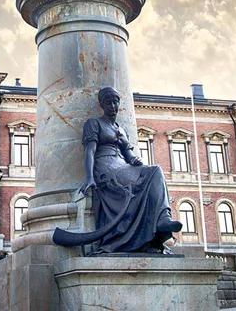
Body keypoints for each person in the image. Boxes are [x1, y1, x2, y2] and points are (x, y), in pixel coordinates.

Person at [78, 87, 182, 253]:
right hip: (105, 166)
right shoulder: (94, 123)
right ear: (102, 105)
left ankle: (163, 219)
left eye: (115, 102)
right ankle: (160, 221)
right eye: (108, 103)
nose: (112, 105)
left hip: (121, 164)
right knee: (153, 173)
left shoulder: (121, 128)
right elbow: (89, 151)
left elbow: (128, 155)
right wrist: (89, 177)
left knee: (154, 171)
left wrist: (135, 159)